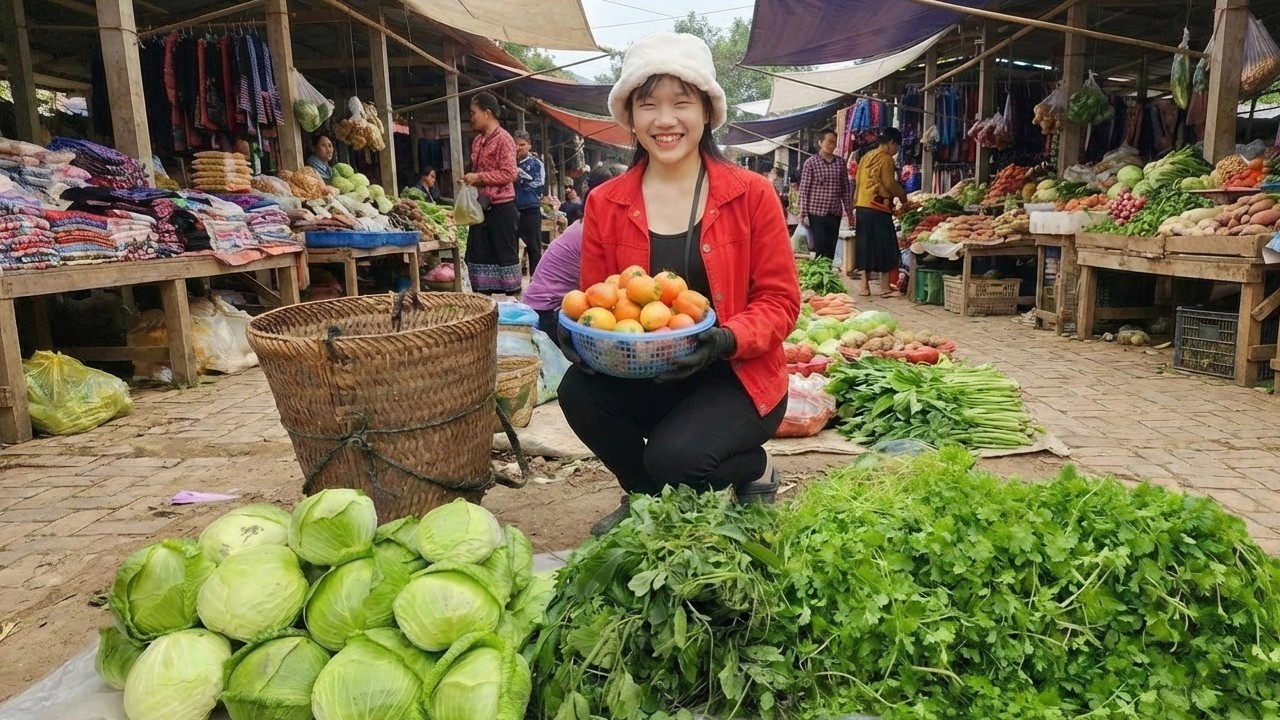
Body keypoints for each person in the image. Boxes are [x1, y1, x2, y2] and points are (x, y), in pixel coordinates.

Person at [556, 31, 801, 537]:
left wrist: (726, 339)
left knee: (677, 459)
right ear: (630, 116)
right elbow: (601, 301)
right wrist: (580, 334)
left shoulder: (752, 194)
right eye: (648, 105)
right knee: (578, 392)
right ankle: (646, 496)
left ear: (708, 111)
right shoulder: (605, 202)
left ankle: (753, 468)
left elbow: (780, 301)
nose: (664, 120)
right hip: (648, 373)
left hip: (735, 376)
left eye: (681, 103)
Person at [524, 165, 622, 338]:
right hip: (545, 312)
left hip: (547, 307)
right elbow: (607, 286)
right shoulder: (590, 231)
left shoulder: (587, 223)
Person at [461, 91, 520, 295]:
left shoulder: (504, 139)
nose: (471, 117)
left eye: (473, 112)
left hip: (502, 209)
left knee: (505, 256)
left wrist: (479, 177)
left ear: (487, 113)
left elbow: (510, 173)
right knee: (478, 255)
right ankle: (484, 302)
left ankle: (512, 302)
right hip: (481, 207)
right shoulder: (478, 141)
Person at [854, 127, 910, 298]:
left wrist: (855, 203)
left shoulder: (865, 156)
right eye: (896, 146)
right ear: (891, 142)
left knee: (865, 245)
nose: (896, 150)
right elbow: (889, 183)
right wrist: (903, 197)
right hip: (878, 207)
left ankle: (864, 287)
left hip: (862, 206)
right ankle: (885, 288)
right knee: (885, 245)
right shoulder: (886, 159)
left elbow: (858, 181)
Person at [798, 128, 853, 261]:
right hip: (816, 212)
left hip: (834, 212)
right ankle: (819, 270)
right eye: (829, 141)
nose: (831, 145)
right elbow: (804, 190)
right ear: (820, 142)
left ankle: (827, 270)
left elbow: (845, 190)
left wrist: (849, 213)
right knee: (820, 245)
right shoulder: (811, 163)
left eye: (834, 142)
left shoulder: (840, 163)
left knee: (831, 246)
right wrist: (803, 213)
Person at [513, 130, 546, 274]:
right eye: (515, 144)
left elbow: (539, 184)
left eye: (522, 145)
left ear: (529, 146)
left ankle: (535, 277)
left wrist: (520, 179)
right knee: (512, 245)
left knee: (533, 245)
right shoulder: (508, 162)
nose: (518, 148)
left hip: (530, 209)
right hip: (511, 208)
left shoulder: (536, 164)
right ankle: (513, 278)